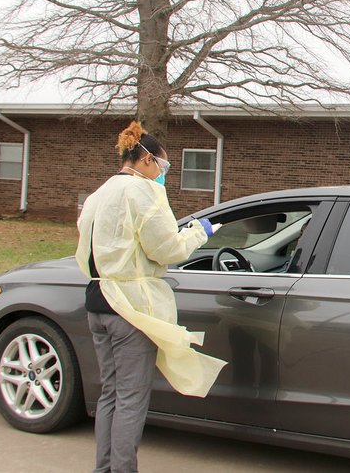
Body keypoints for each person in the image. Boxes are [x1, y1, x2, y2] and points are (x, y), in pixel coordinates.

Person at [75, 121, 226, 473]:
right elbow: (167, 249)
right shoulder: (145, 192)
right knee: (131, 398)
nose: (164, 174)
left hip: (98, 300)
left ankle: (105, 468)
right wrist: (197, 234)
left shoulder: (101, 193)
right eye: (164, 166)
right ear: (146, 160)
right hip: (130, 309)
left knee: (110, 394)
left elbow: (86, 248)